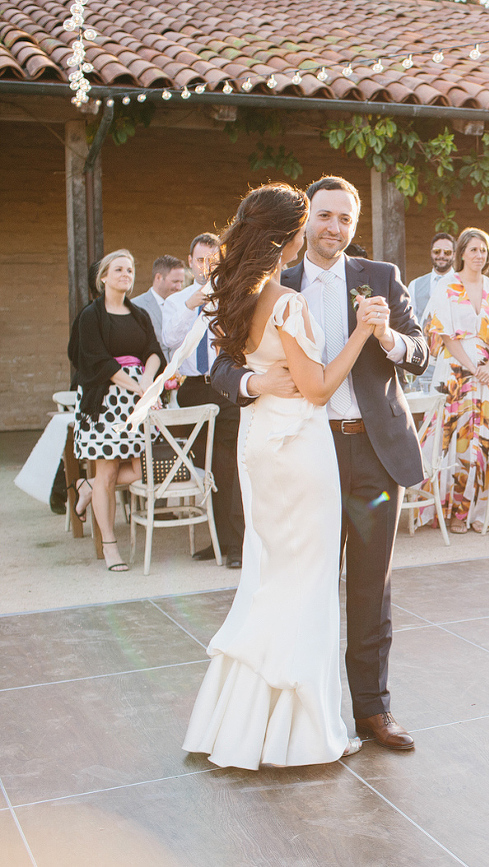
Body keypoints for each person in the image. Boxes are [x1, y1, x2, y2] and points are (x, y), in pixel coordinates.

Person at [139, 183, 395, 768]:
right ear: (291, 235)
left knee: (271, 576)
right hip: (301, 451)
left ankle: (249, 720)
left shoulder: (237, 295)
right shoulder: (285, 300)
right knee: (304, 582)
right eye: (312, 221)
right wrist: (360, 331)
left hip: (263, 450)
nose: (320, 231)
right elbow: (318, 386)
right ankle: (298, 729)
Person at [212, 175, 429, 752]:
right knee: (304, 584)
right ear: (306, 221)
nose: (335, 228)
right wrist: (254, 379)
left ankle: (372, 712)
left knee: (369, 585)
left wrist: (389, 338)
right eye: (325, 216)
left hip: (374, 453)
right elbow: (220, 365)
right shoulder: (273, 282)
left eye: (346, 220)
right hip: (307, 455)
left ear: (355, 226)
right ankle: (306, 713)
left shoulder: (379, 278)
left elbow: (422, 351)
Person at [425, 227, 489, 533]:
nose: (478, 255)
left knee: (485, 440)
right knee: (457, 441)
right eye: (473, 250)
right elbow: (443, 334)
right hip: (456, 373)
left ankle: (482, 509)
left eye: (483, 250)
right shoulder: (446, 285)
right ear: (461, 253)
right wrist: (472, 367)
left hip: (488, 374)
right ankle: (455, 511)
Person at [67, 249, 163, 572]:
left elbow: (154, 351)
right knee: (107, 472)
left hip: (136, 399)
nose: (126, 274)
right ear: (104, 277)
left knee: (141, 468)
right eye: (119, 269)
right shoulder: (90, 316)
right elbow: (95, 359)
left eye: (130, 269)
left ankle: (87, 487)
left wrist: (147, 378)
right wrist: (135, 385)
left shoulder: (139, 315)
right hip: (105, 401)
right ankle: (110, 545)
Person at [163, 233, 244, 568]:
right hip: (193, 389)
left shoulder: (233, 296)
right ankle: (217, 540)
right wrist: (193, 302)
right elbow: (170, 339)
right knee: (208, 467)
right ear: (191, 261)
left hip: (225, 386)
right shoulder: (177, 301)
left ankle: (237, 544)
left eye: (213, 260)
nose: (206, 266)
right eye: (200, 260)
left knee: (231, 466)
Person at [409, 232, 457, 392]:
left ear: (454, 255)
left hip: (455, 358)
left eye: (447, 252)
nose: (442, 256)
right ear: (431, 252)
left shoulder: (462, 284)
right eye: (437, 251)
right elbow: (411, 324)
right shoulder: (415, 285)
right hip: (426, 361)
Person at [132, 254, 185, 358]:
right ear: (158, 278)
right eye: (175, 282)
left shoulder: (185, 306)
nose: (179, 287)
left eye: (181, 282)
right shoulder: (136, 306)